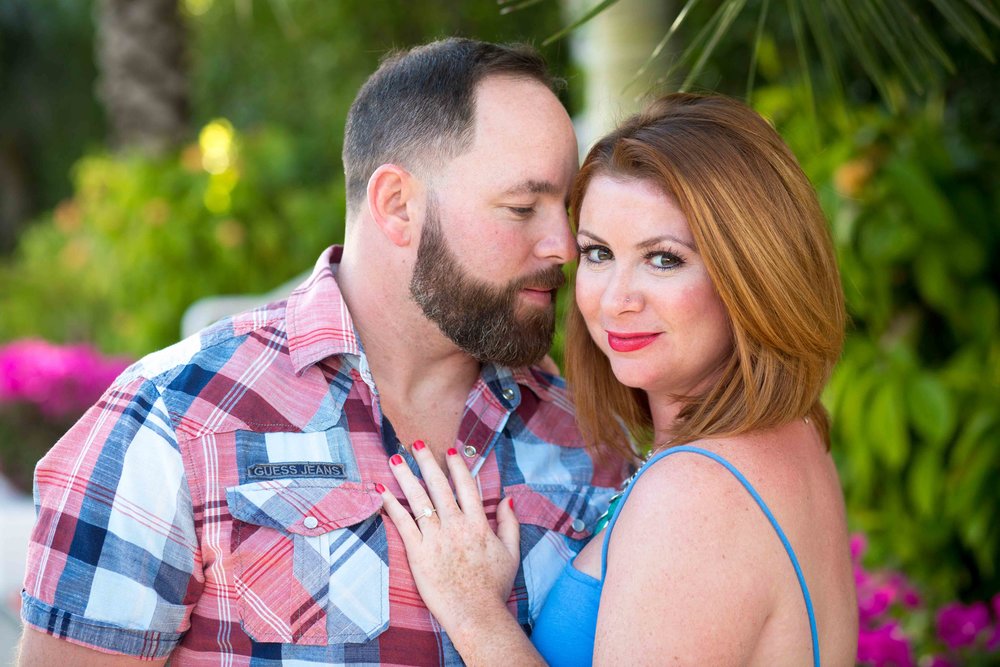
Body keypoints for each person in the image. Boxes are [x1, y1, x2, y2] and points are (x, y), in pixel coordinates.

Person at [17, 38, 627, 666]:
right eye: (523, 207)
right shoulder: (174, 418)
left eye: (566, 209)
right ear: (397, 205)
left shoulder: (595, 438)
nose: (565, 246)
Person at [377, 92, 859, 665]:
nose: (616, 300)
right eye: (599, 253)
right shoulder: (791, 437)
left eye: (664, 259)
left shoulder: (695, 494)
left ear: (753, 273)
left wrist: (473, 610)